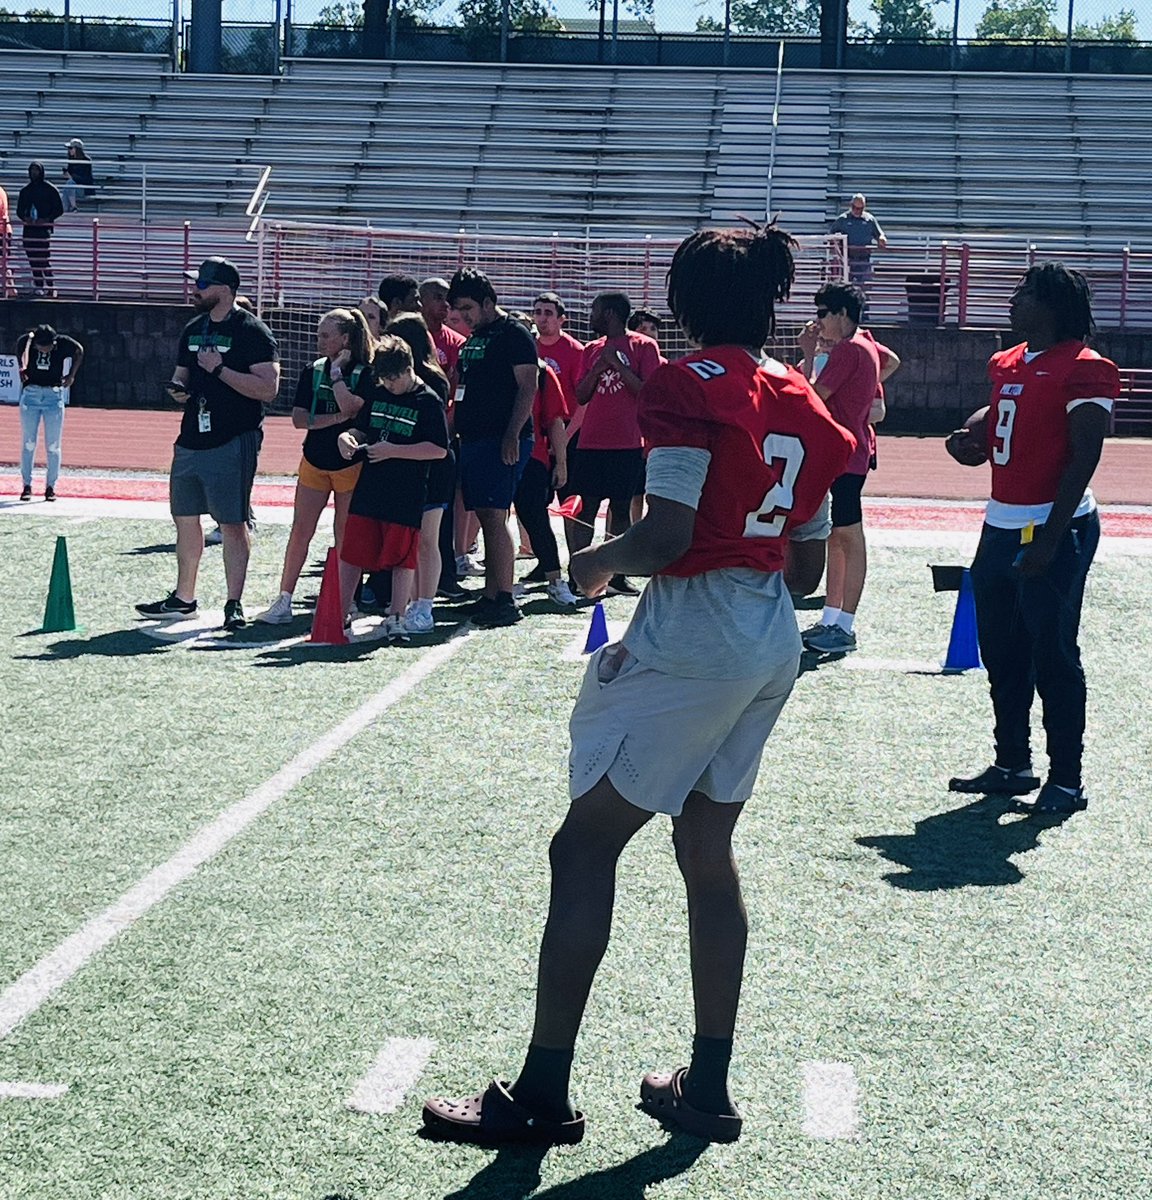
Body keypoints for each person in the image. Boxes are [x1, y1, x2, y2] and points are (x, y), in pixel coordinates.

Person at [422, 223, 854, 1147]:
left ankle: (542, 1092)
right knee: (707, 853)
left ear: (687, 302)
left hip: (695, 631)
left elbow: (663, 536)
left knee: (583, 850)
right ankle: (706, 1084)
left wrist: (592, 563)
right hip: (768, 634)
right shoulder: (808, 400)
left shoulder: (685, 383)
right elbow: (810, 574)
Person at [946, 263, 1118, 816]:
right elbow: (1002, 412)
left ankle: (1067, 778)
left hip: (1054, 524)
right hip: (1000, 521)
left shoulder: (1087, 369)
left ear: (1052, 306)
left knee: (1053, 650)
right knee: (1000, 647)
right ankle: (1012, 762)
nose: (1014, 302)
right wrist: (971, 437)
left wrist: (1048, 536)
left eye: (1025, 294)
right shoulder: (1010, 361)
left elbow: (1083, 455)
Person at [136, 257, 280, 631]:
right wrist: (178, 392)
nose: (194, 289)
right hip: (191, 436)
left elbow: (268, 388)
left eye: (201, 283)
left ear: (224, 289)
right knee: (184, 518)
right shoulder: (193, 328)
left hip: (234, 437)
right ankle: (184, 599)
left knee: (232, 523)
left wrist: (219, 369)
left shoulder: (253, 331)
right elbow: (181, 375)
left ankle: (234, 602)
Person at [255, 309, 373, 625]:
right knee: (300, 531)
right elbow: (298, 418)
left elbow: (353, 407)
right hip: (314, 462)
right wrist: (334, 420)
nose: (318, 340)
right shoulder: (312, 370)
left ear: (345, 339)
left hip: (350, 465)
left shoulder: (364, 373)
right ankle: (284, 598)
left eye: (325, 335)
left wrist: (337, 376)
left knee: (345, 535)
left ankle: (346, 602)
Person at [335, 334, 449, 641]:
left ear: (409, 368)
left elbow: (438, 448)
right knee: (353, 554)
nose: (390, 385)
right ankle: (340, 613)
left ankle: (397, 615)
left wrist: (393, 450)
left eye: (395, 378)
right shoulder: (378, 391)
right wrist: (348, 438)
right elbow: (362, 427)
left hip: (406, 492)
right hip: (370, 488)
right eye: (385, 379)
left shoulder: (427, 401)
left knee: (401, 557)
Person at [448, 267, 539, 628]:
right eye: (459, 309)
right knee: (486, 515)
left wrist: (511, 435)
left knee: (494, 514)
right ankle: (490, 594)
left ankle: (504, 596)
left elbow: (528, 387)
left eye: (468, 308)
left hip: (500, 439)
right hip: (475, 438)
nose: (464, 316)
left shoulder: (513, 333)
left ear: (488, 302)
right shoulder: (477, 336)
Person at [795, 282, 880, 653]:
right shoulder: (863, 347)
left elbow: (813, 397)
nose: (818, 323)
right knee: (837, 536)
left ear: (841, 314)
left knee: (848, 536)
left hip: (847, 455)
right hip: (845, 454)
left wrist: (808, 354)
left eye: (822, 314)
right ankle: (832, 617)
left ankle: (843, 625)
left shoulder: (849, 350)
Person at [569, 292, 662, 596]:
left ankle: (616, 572)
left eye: (595, 311)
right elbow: (581, 395)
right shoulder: (591, 349)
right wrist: (599, 367)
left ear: (609, 314)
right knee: (586, 506)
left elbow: (647, 391)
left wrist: (618, 366)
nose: (590, 316)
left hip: (627, 441)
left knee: (621, 508)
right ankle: (579, 571)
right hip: (592, 442)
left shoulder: (643, 346)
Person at [385, 313, 456, 633]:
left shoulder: (432, 379)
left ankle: (425, 604)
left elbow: (434, 432)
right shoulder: (391, 379)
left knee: (428, 540)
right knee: (410, 540)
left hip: (433, 467)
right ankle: (408, 601)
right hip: (404, 469)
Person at [506, 311, 576, 607]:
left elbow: (555, 421)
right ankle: (499, 585)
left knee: (535, 518)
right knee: (496, 520)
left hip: (532, 457)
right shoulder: (494, 369)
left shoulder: (544, 373)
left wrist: (560, 462)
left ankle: (555, 580)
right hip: (495, 454)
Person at [15, 324, 84, 501]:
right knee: (28, 442)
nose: (47, 348)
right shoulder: (26, 342)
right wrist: (21, 368)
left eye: (49, 345)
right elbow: (20, 350)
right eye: (43, 345)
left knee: (53, 445)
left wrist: (71, 375)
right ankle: (27, 485)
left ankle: (50, 486)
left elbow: (79, 350)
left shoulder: (62, 343)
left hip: (53, 396)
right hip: (31, 395)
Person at [15, 162, 63, 299]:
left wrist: (47, 219)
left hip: (43, 230)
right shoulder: (25, 191)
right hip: (29, 230)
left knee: (43, 259)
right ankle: (39, 286)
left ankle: (51, 286)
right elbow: (19, 210)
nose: (34, 173)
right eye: (32, 170)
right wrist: (26, 218)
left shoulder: (50, 189)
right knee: (32, 259)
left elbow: (59, 209)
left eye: (37, 170)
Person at [830, 193, 887, 287]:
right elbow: (831, 236)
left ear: (864, 207)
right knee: (844, 287)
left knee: (865, 287)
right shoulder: (842, 220)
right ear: (850, 205)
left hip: (864, 260)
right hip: (847, 260)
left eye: (860, 208)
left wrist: (881, 239)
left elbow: (880, 234)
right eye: (854, 207)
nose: (857, 211)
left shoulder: (869, 220)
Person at [61, 139, 95, 213]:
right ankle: (66, 210)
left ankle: (72, 208)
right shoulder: (71, 159)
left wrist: (72, 177)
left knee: (69, 185)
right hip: (73, 188)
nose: (69, 150)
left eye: (71, 148)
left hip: (84, 188)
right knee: (67, 188)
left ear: (77, 149)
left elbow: (86, 179)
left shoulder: (86, 160)